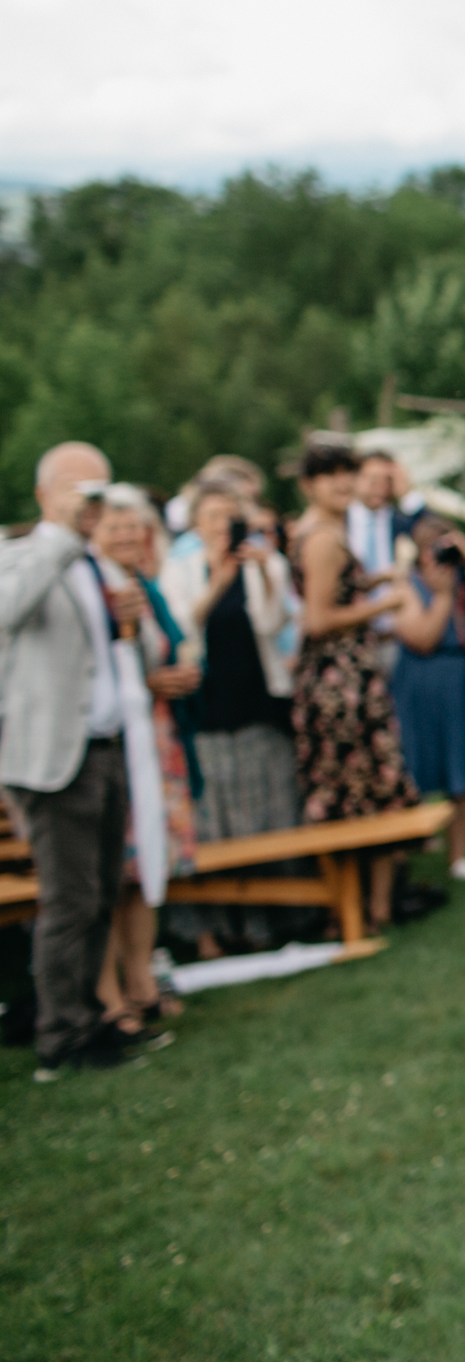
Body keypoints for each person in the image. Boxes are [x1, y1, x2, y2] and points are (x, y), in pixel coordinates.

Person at [0, 442, 171, 1077]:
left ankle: (92, 1018)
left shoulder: (99, 568)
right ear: (47, 495)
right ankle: (59, 1039)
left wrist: (132, 619)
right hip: (52, 759)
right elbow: (8, 612)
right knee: (68, 901)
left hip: (108, 748)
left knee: (100, 892)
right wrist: (60, 535)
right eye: (82, 493)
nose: (95, 505)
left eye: (101, 491)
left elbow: (142, 659)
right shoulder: (20, 554)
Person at [158, 480, 303, 953]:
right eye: (213, 517)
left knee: (267, 808)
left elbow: (273, 623)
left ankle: (277, 919)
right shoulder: (178, 571)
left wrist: (262, 575)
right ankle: (220, 924)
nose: (223, 526)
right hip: (209, 708)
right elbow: (179, 632)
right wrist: (217, 580)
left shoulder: (268, 564)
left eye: (230, 516)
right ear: (196, 525)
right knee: (218, 818)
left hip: (258, 701)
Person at [291, 443, 420, 932]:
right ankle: (360, 910)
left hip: (339, 672)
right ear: (309, 485)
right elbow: (319, 619)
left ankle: (366, 909)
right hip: (338, 677)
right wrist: (385, 604)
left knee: (356, 785)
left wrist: (372, 581)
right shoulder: (323, 538)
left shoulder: (314, 531)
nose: (342, 484)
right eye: (330, 477)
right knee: (355, 787)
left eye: (349, 474)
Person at [88, 486, 200, 1035]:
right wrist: (150, 679)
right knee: (115, 866)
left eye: (136, 528)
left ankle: (142, 979)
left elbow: (173, 643)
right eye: (116, 528)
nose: (129, 537)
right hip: (117, 740)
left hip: (157, 736)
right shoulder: (93, 588)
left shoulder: (145, 587)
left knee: (146, 866)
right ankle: (109, 991)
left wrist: (179, 671)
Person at [391, 515, 465, 882]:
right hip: (420, 681)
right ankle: (410, 849)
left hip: (464, 677)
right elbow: (422, 638)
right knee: (413, 764)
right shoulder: (404, 584)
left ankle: (459, 856)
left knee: (463, 770)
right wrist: (442, 596)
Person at [345, 451, 420, 673]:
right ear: (356, 479)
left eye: (387, 480)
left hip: (394, 638)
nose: (379, 487)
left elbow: (440, 534)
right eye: (372, 479)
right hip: (349, 635)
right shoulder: (339, 522)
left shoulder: (404, 522)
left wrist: (407, 493)